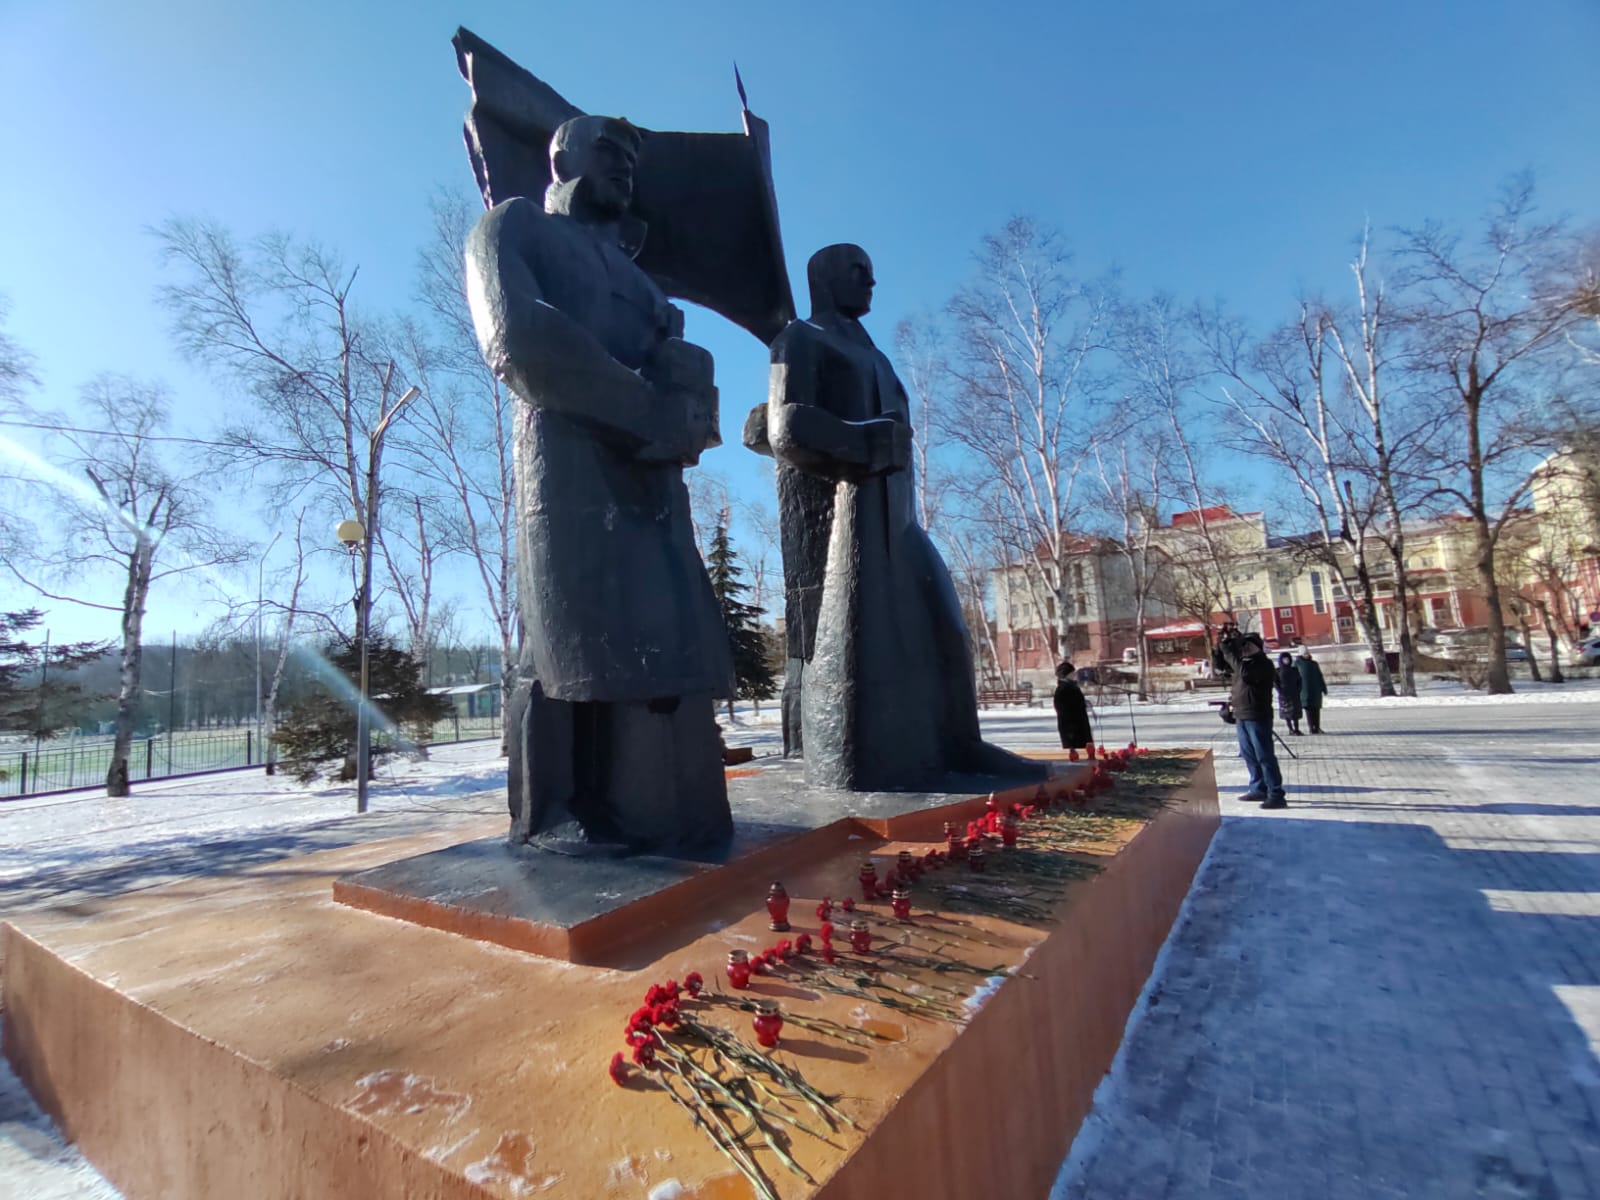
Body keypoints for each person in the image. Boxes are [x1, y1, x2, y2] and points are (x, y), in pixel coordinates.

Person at [465, 114, 734, 856]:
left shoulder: (644, 283)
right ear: (562, 158)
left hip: (651, 477)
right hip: (569, 462)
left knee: (658, 635)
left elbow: (684, 382)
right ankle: (559, 811)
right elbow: (517, 336)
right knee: (569, 639)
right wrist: (644, 407)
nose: (625, 169)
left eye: (631, 160)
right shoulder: (514, 226)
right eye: (609, 152)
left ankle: (660, 808)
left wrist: (690, 415)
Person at [760, 244, 1042, 791]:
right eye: (859, 272)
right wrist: (861, 441)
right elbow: (785, 426)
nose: (871, 282)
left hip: (901, 513)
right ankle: (856, 761)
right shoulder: (800, 339)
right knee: (861, 637)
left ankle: (959, 742)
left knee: (947, 626)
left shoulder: (874, 353)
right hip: (856, 509)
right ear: (826, 279)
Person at [1215, 627, 1287, 809]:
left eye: (1249, 645)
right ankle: (1258, 788)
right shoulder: (1242, 663)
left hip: (1257, 716)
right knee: (1250, 756)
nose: (1245, 648)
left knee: (1264, 756)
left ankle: (1276, 793)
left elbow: (1245, 674)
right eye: (1243, 645)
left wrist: (1232, 651)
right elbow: (1221, 665)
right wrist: (1221, 644)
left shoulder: (1263, 664)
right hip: (1241, 715)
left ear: (1258, 647)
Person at [1053, 661, 1092, 750]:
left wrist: (1083, 703)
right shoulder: (1063, 689)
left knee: (1086, 750)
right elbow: (1062, 709)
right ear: (1066, 674)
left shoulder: (1072, 686)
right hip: (1072, 730)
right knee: (1077, 752)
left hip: (1080, 726)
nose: (1074, 674)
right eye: (1072, 673)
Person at [1297, 648, 1329, 734]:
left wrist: (1323, 688)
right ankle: (1311, 728)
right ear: (1301, 654)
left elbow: (1319, 676)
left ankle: (1317, 727)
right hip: (1304, 691)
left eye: (1307, 653)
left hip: (1315, 691)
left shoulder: (1314, 664)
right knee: (1309, 710)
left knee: (1316, 709)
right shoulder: (1297, 664)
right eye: (1304, 653)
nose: (1306, 655)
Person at [1275, 651, 1304, 735]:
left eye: (1287, 659)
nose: (1286, 661)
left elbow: (1299, 680)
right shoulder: (1278, 671)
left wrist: (1298, 689)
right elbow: (1275, 682)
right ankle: (1290, 729)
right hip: (1284, 695)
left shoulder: (1294, 670)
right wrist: (1280, 691)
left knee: (1295, 713)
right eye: (1284, 659)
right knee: (1287, 713)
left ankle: (1297, 729)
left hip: (1294, 694)